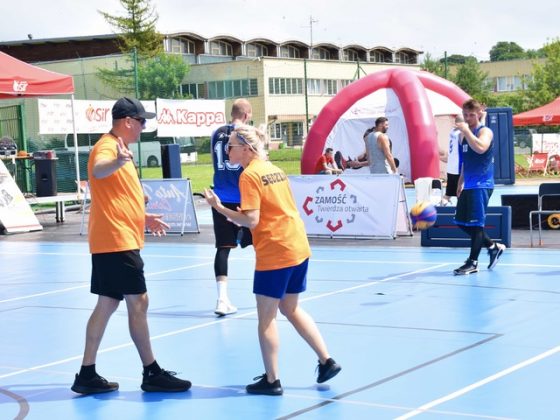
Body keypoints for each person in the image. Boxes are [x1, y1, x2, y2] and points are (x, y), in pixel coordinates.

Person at [204, 124, 341, 396]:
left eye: (230, 146)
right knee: (290, 308)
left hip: (275, 251)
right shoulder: (274, 170)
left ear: (245, 148)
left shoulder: (249, 176)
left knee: (266, 318)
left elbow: (252, 220)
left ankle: (272, 380)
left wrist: (220, 209)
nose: (227, 150)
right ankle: (326, 360)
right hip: (297, 246)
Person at [71, 97, 191, 394]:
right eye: (141, 122)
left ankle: (86, 374)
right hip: (116, 240)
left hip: (113, 238)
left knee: (107, 303)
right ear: (127, 121)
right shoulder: (108, 147)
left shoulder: (120, 149)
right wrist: (117, 161)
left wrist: (143, 216)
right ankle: (151, 372)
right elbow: (98, 170)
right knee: (139, 302)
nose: (143, 128)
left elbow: (116, 196)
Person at [209, 98, 253, 316]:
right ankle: (273, 292)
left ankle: (221, 299)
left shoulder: (216, 133)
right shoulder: (246, 133)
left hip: (221, 196)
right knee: (260, 242)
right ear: (245, 115)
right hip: (244, 196)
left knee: (223, 248)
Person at [453, 99, 506, 275]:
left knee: (476, 226)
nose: (468, 118)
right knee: (461, 223)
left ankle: (473, 262)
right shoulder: (462, 136)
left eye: (472, 115)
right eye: (466, 115)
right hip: (468, 184)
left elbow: (481, 148)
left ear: (478, 114)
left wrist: (467, 130)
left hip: (482, 184)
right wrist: (460, 182)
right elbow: (464, 162)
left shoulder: (485, 131)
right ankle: (492, 247)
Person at [442, 115, 464, 205]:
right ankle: (461, 214)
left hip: (451, 169)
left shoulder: (452, 132)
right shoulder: (461, 133)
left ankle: (441, 208)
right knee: (461, 194)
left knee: (448, 194)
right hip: (458, 169)